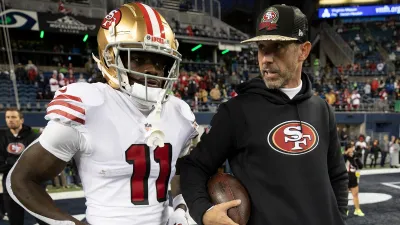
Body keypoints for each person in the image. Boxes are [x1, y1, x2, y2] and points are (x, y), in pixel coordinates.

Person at [6, 3, 197, 225]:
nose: (152, 69)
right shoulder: (89, 105)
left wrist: (181, 206)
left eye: (159, 61)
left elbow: (180, 172)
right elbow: (20, 179)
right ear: (110, 58)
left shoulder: (180, 112)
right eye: (138, 58)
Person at [180, 4, 348, 225]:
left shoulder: (322, 109)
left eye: (277, 47)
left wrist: (339, 217)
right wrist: (203, 211)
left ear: (303, 51)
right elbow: (194, 167)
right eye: (261, 48)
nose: (266, 59)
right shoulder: (237, 111)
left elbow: (337, 175)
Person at [0, 108, 47, 225]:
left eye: (14, 117)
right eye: (7, 117)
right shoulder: (1, 137)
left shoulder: (34, 137)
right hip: (10, 185)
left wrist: (9, 161)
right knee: (15, 220)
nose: (10, 120)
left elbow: (36, 162)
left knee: (44, 218)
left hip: (32, 184)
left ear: (21, 120)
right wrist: (21, 161)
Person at [343, 142, 364, 216]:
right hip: (345, 178)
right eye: (351, 148)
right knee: (344, 196)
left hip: (353, 178)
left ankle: (357, 209)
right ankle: (345, 210)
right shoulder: (343, 157)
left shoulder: (354, 157)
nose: (352, 150)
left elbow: (361, 166)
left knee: (355, 194)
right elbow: (341, 162)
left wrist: (356, 158)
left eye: (353, 148)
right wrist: (346, 154)